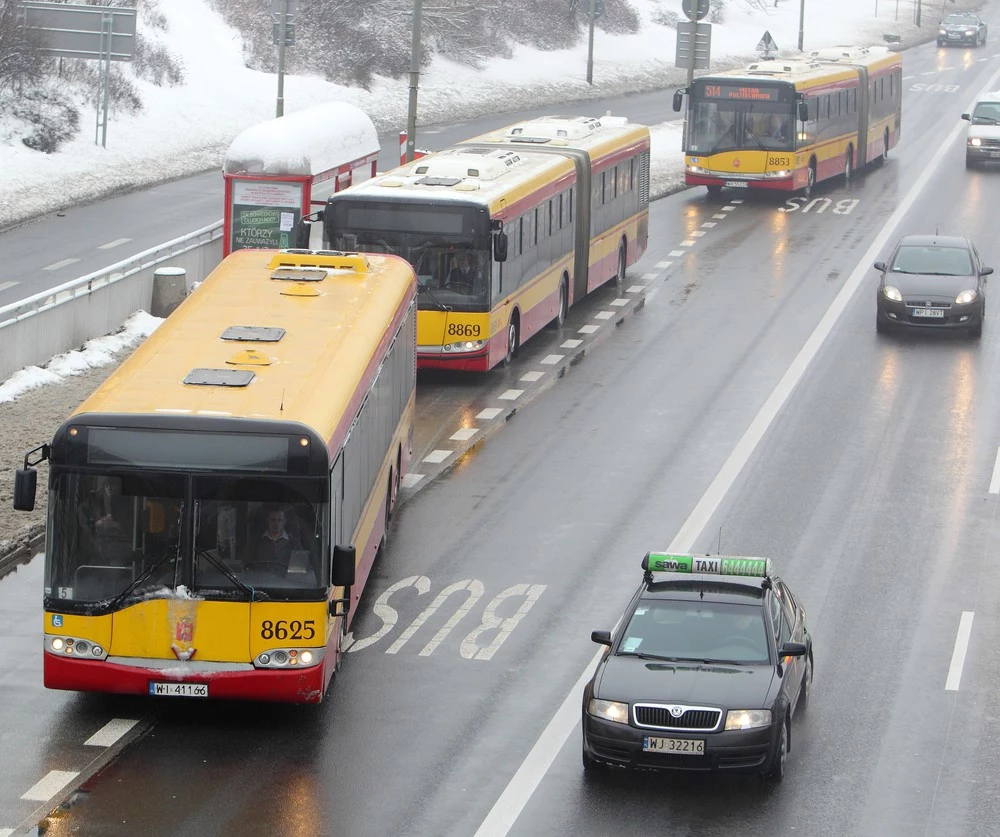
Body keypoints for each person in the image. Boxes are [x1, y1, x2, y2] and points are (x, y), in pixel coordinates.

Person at [244, 506, 303, 572]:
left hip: (285, 581)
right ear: (267, 520)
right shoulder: (255, 542)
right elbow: (245, 564)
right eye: (273, 520)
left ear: (285, 521)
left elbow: (300, 569)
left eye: (280, 520)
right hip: (260, 580)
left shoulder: (294, 544)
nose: (276, 523)